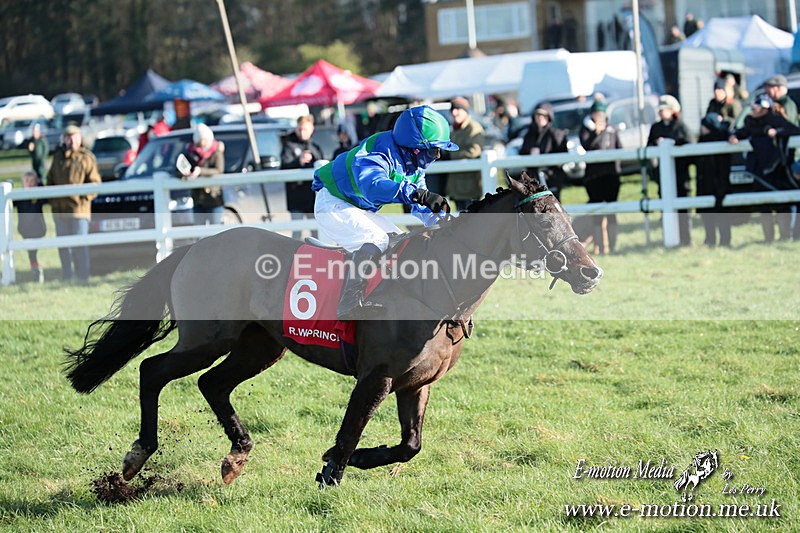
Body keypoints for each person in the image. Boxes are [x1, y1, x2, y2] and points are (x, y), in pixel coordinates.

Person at [312, 104, 457, 319]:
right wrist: (416, 194)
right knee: (377, 239)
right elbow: (372, 186)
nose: (437, 155)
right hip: (332, 202)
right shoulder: (378, 150)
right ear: (416, 147)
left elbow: (419, 201)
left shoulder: (413, 165)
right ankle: (348, 305)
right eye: (434, 149)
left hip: (357, 207)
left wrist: (443, 221)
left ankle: (380, 295)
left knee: (398, 240)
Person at [729, 93, 800, 242]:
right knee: (764, 206)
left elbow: (793, 130)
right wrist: (734, 136)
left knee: (782, 205)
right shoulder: (750, 122)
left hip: (777, 169)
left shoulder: (776, 119)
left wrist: (777, 132)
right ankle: (768, 238)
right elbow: (741, 132)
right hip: (759, 169)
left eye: (755, 108)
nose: (753, 110)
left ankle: (784, 236)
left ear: (763, 109)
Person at [46, 123, 102, 283]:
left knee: (80, 245)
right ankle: (67, 276)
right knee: (63, 246)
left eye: (74, 137)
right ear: (64, 139)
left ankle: (83, 276)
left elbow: (95, 184)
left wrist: (81, 198)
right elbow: (50, 180)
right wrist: (53, 200)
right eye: (68, 137)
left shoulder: (86, 158)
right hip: (59, 210)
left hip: (79, 211)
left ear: (80, 138)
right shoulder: (58, 158)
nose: (71, 140)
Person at [696, 80, 740, 247]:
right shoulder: (711, 105)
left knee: (721, 209)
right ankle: (711, 239)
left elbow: (734, 123)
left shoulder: (732, 105)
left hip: (718, 176)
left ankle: (723, 240)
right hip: (708, 178)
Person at [647, 95, 695, 246]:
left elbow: (690, 146)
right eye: (660, 110)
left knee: (683, 209)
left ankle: (686, 239)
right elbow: (649, 149)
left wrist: (674, 145)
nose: (661, 112)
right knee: (666, 209)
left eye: (665, 109)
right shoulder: (656, 128)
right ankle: (668, 238)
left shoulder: (681, 126)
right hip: (663, 176)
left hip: (681, 175)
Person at [578, 100, 621, 254]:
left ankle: (612, 245)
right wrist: (598, 133)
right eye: (596, 114)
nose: (599, 117)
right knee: (596, 211)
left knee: (611, 211)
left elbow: (619, 149)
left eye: (601, 114)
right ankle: (599, 246)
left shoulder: (612, 129)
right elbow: (588, 146)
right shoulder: (586, 130)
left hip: (610, 175)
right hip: (594, 177)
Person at [282, 115, 323, 240]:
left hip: (312, 198)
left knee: (317, 232)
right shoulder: (288, 146)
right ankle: (293, 258)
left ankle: (319, 258)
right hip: (296, 198)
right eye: (300, 129)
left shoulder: (315, 147)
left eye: (305, 129)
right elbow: (284, 166)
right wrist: (298, 161)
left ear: (312, 129)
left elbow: (322, 165)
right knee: (297, 233)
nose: (302, 132)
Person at [442, 97, 485, 212]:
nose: (454, 113)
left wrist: (450, 155)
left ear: (466, 111)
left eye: (458, 109)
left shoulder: (473, 127)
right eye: (453, 110)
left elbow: (474, 150)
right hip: (456, 187)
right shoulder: (454, 130)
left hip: (469, 186)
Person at [520, 102, 569, 200]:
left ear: (549, 117)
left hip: (552, 178)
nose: (540, 117)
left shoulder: (556, 134)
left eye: (543, 115)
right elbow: (523, 154)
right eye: (538, 115)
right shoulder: (529, 135)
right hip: (534, 180)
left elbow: (562, 157)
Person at [180, 123, 226, 225]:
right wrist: (186, 173)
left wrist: (201, 171)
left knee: (216, 232)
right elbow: (179, 167)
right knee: (199, 233)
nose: (202, 143)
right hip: (198, 198)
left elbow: (219, 170)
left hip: (214, 197)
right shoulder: (191, 152)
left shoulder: (216, 151)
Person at [15, 171, 47, 282]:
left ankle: (37, 270)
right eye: (27, 181)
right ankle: (35, 270)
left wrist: (40, 184)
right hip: (25, 229)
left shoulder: (38, 195)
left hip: (38, 228)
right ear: (22, 182)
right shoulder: (19, 196)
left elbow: (45, 198)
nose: (29, 183)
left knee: (34, 251)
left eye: (32, 181)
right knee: (31, 252)